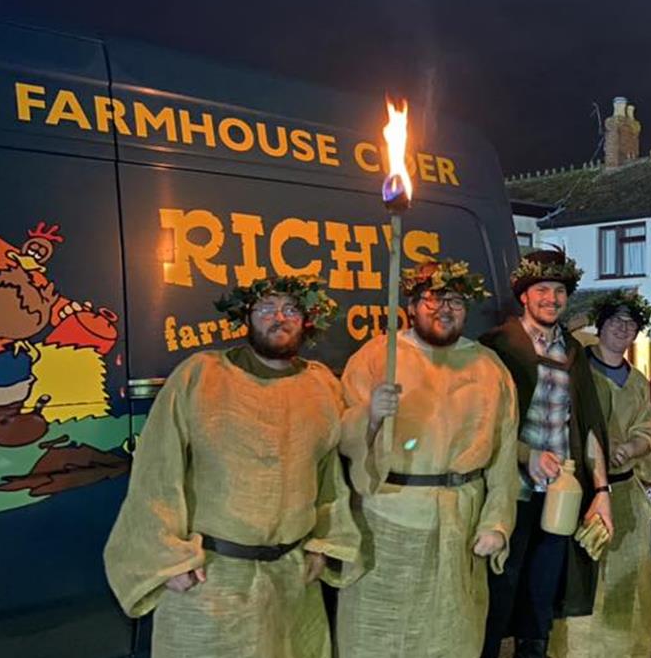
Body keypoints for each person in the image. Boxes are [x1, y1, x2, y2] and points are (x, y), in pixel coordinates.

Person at [103, 276, 359, 658]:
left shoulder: (320, 384)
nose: (279, 318)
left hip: (291, 584)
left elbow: (328, 477)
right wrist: (168, 559)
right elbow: (156, 472)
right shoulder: (201, 375)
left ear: (307, 320)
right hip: (213, 580)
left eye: (291, 309)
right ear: (246, 317)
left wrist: (323, 544)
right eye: (266, 309)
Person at [335, 260, 519, 657]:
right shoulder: (376, 358)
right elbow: (341, 439)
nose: (443, 309)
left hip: (461, 526)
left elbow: (504, 457)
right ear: (413, 305)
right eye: (432, 299)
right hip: (386, 526)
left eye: (453, 300)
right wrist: (369, 414)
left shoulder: (488, 367)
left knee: (451, 634)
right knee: (379, 634)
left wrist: (497, 522)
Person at [479, 249, 613, 658]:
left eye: (558, 291)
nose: (551, 298)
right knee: (495, 596)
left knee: (540, 602)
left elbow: (588, 425)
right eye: (541, 289)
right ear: (524, 295)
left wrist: (603, 491)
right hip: (508, 495)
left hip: (559, 496)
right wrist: (526, 454)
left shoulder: (571, 352)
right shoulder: (497, 346)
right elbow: (482, 425)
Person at [550, 290, 651, 658]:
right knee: (583, 580)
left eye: (630, 324)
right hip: (581, 493)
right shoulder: (576, 372)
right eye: (615, 321)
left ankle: (626, 648)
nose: (623, 329)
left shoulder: (637, 382)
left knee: (628, 580)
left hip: (627, 495)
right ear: (600, 326)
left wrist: (633, 447)